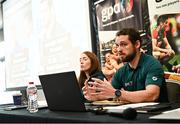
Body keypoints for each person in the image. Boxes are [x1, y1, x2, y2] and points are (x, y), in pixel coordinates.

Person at [82, 28, 168, 103]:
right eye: (117, 45)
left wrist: (117, 93)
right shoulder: (121, 71)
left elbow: (152, 95)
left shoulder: (152, 64)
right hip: (133, 115)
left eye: (123, 44)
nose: (119, 49)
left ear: (137, 44)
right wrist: (95, 96)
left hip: (155, 117)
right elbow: (109, 92)